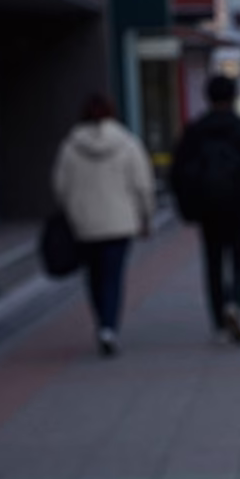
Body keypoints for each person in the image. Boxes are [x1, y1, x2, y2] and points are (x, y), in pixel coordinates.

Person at [171, 75, 240, 345]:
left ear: (208, 97)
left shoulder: (195, 130)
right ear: (233, 96)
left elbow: (178, 172)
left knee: (213, 261)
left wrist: (185, 207)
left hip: (208, 205)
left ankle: (219, 320)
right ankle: (236, 304)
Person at [52, 94, 154, 357]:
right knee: (113, 276)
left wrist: (72, 210)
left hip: (84, 224)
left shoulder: (70, 147)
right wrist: (146, 216)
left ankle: (101, 321)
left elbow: (60, 186)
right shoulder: (127, 143)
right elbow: (143, 185)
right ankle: (109, 327)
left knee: (94, 276)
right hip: (120, 222)